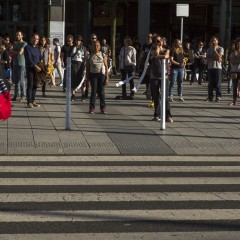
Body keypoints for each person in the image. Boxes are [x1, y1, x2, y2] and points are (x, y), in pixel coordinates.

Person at [149, 35, 173, 123]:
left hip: (164, 76)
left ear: (162, 42)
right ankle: (157, 114)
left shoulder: (166, 50)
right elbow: (155, 54)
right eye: (156, 41)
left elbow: (166, 56)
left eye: (159, 41)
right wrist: (158, 49)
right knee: (155, 96)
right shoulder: (151, 51)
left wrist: (159, 55)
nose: (158, 42)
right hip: (154, 76)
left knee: (165, 97)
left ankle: (168, 115)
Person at [88, 40, 108, 114]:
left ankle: (103, 108)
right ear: (92, 47)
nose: (96, 47)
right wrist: (87, 78)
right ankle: (92, 108)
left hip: (101, 75)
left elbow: (106, 66)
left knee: (101, 92)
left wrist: (107, 78)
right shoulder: (90, 55)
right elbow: (87, 67)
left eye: (97, 45)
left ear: (99, 47)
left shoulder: (103, 55)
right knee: (93, 91)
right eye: (94, 45)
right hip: (93, 75)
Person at [24, 33, 42, 108]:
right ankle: (29, 102)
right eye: (34, 38)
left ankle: (33, 100)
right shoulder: (27, 47)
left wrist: (41, 64)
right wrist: (35, 66)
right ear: (31, 39)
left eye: (37, 39)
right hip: (30, 68)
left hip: (37, 69)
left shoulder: (37, 48)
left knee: (35, 85)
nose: (35, 40)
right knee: (30, 85)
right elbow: (28, 59)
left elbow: (40, 57)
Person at [206, 36, 224, 102]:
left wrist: (215, 51)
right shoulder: (208, 49)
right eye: (212, 41)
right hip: (210, 67)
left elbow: (219, 58)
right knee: (210, 83)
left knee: (217, 83)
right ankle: (210, 96)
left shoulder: (220, 48)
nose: (213, 42)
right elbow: (207, 58)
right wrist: (215, 58)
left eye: (215, 40)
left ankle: (218, 96)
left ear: (217, 41)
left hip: (218, 68)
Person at [71, 35, 87, 101]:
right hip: (74, 64)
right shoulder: (73, 47)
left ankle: (83, 96)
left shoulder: (84, 48)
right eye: (77, 40)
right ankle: (73, 95)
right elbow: (70, 56)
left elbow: (85, 58)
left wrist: (85, 67)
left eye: (80, 40)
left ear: (81, 41)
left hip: (81, 65)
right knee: (74, 80)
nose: (78, 41)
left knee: (82, 81)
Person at [12, 31, 27, 102]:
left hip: (21, 64)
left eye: (19, 35)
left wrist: (14, 52)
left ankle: (23, 96)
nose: (17, 36)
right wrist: (15, 52)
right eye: (17, 35)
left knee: (21, 80)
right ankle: (16, 95)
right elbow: (13, 53)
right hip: (15, 64)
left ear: (22, 36)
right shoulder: (15, 43)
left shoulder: (24, 43)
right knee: (15, 81)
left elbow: (20, 53)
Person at [139, 33, 153, 102]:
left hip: (151, 63)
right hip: (145, 63)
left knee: (150, 77)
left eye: (150, 37)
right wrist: (140, 60)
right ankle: (147, 90)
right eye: (148, 37)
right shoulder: (144, 45)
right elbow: (142, 53)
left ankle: (150, 92)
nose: (149, 38)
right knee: (146, 78)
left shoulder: (152, 45)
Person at [229, 38, 240, 106]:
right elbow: (232, 62)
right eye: (238, 44)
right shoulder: (234, 52)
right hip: (235, 70)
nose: (239, 46)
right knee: (234, 86)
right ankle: (234, 100)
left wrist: (236, 61)